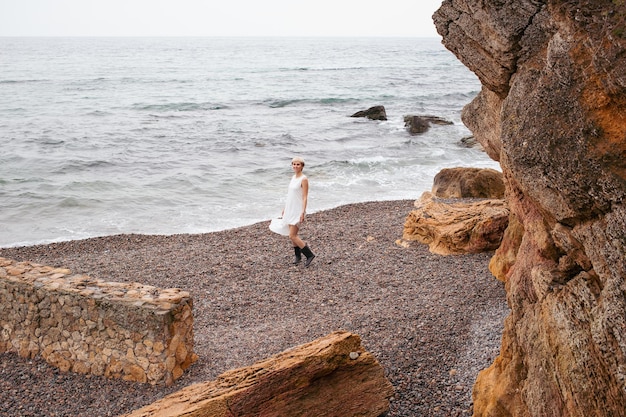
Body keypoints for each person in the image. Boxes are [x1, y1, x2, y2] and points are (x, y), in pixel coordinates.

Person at [281, 156, 315, 267]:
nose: (295, 166)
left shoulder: (303, 179)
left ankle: (309, 255)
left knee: (292, 235)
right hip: (290, 208)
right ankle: (297, 256)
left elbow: (305, 197)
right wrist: (285, 208)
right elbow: (290, 195)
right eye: (294, 164)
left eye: (298, 164)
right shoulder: (293, 177)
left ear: (302, 166)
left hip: (297, 209)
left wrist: (303, 212)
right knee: (292, 234)